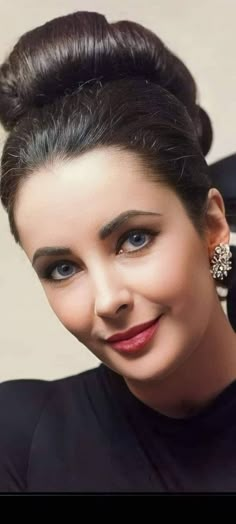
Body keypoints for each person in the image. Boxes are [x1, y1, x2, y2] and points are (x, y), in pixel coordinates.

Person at [0, 10, 235, 494]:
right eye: (62, 268)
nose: (107, 300)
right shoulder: (19, 441)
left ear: (212, 225)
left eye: (134, 239)